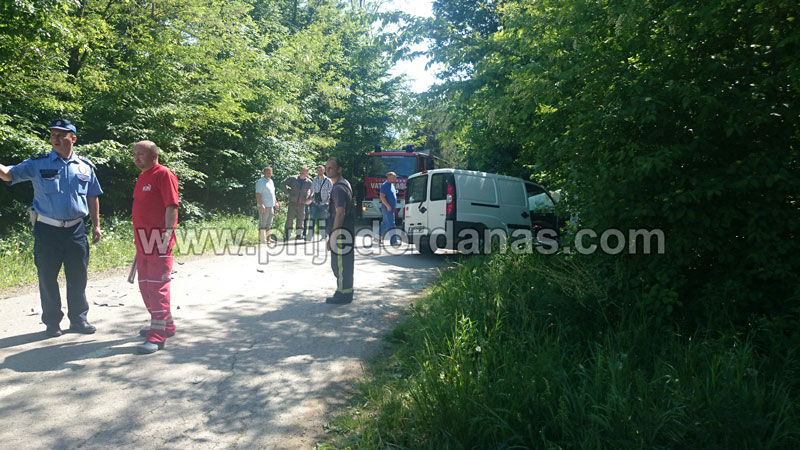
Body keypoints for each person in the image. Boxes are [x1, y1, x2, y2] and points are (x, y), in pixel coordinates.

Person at [0, 119, 102, 337]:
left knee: (78, 277)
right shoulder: (38, 163)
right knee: (47, 277)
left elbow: (93, 196)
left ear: (73, 139)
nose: (55, 138)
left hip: (76, 230)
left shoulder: (84, 166)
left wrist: (96, 225)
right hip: (47, 230)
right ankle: (52, 322)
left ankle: (79, 319)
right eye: (52, 134)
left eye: (61, 135)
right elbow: (9, 174)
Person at [131, 140, 179, 354]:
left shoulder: (164, 174)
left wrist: (167, 233)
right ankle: (166, 325)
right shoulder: (142, 177)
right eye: (134, 154)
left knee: (157, 287)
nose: (136, 158)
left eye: (140, 154)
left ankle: (157, 335)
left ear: (154, 155)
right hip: (142, 242)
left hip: (158, 241)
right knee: (145, 286)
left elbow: (171, 205)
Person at [325, 157, 355, 304]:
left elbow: (340, 213)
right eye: (326, 167)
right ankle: (343, 291)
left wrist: (333, 235)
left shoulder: (338, 188)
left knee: (340, 265)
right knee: (344, 263)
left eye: (331, 168)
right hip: (346, 230)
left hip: (341, 233)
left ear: (339, 169)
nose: (327, 170)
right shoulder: (344, 183)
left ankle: (343, 294)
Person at [281, 166, 313, 240]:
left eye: (305, 171)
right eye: (302, 171)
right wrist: (287, 193)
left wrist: (310, 199)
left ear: (307, 173)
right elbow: (282, 184)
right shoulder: (293, 179)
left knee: (300, 219)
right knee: (290, 219)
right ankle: (287, 234)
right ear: (300, 171)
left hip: (302, 204)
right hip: (292, 202)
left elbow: (313, 191)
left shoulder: (309, 182)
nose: (303, 172)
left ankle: (299, 235)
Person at [305, 164, 332, 240]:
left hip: (324, 203)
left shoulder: (328, 180)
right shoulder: (315, 179)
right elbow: (312, 189)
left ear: (324, 171)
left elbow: (331, 191)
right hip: (315, 202)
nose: (319, 171)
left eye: (321, 170)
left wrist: (328, 200)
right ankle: (309, 236)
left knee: (322, 220)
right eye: (318, 170)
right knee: (312, 219)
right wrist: (310, 197)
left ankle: (323, 236)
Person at [255, 166, 278, 244]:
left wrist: (276, 202)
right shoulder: (260, 182)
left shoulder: (271, 181)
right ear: (264, 173)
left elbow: (273, 193)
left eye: (270, 173)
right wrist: (261, 204)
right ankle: (262, 239)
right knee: (263, 223)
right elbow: (258, 194)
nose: (269, 174)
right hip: (264, 206)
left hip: (271, 205)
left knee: (269, 223)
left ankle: (269, 238)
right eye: (267, 172)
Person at [379, 171, 399, 245]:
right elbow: (382, 197)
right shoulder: (384, 185)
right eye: (393, 177)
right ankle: (394, 241)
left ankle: (377, 238)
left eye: (395, 177)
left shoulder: (392, 185)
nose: (395, 179)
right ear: (389, 177)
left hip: (391, 208)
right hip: (387, 208)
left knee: (384, 223)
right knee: (391, 224)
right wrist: (388, 205)